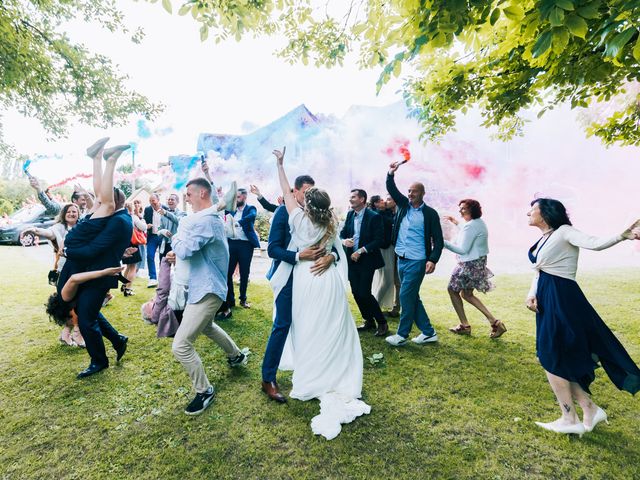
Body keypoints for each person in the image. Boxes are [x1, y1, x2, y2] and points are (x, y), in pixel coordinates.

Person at [269, 147, 370, 440]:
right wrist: (333, 257)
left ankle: (312, 375)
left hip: (306, 278)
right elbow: (337, 248)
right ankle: (334, 374)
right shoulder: (331, 222)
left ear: (307, 202)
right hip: (328, 281)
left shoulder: (298, 220)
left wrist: (280, 164)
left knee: (308, 328)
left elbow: (286, 192)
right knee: (330, 327)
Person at [526, 198, 640, 436]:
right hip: (548, 296)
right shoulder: (544, 237)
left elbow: (594, 243)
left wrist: (623, 235)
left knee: (550, 355)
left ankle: (570, 419)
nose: (528, 213)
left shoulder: (564, 232)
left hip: (563, 297)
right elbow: (540, 271)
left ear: (545, 213)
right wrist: (532, 294)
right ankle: (589, 409)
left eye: (533, 210)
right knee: (553, 355)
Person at [170, 178, 249, 416]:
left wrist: (174, 236)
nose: (186, 198)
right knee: (208, 327)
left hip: (208, 289)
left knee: (181, 346)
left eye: (189, 194)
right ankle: (236, 355)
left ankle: (204, 391)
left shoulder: (207, 222)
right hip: (202, 287)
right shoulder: (206, 218)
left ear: (202, 193)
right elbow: (192, 254)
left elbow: (183, 249)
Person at [59, 137, 132, 378]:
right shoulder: (109, 213)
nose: (102, 196)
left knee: (87, 317)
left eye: (109, 193)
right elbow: (102, 197)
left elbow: (93, 250)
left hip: (93, 268)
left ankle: (99, 360)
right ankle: (100, 157)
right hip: (82, 253)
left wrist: (69, 250)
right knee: (88, 312)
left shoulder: (118, 219)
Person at [261, 174, 335, 403]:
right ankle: (268, 379)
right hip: (288, 278)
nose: (309, 196)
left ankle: (313, 371)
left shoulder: (321, 216)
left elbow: (334, 247)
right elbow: (272, 249)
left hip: (314, 281)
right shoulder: (284, 212)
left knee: (313, 325)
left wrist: (331, 257)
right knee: (282, 324)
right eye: (306, 191)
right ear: (295, 192)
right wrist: (297, 255)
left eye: (313, 191)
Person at [384, 160, 444, 347]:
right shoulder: (403, 205)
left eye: (414, 191)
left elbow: (439, 241)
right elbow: (391, 189)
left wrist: (432, 260)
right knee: (411, 296)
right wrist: (391, 173)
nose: (410, 194)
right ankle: (428, 332)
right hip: (401, 257)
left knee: (405, 295)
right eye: (409, 191)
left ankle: (402, 335)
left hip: (417, 260)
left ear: (422, 194)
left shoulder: (430, 214)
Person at [22, 203, 85, 347]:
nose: (71, 214)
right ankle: (76, 332)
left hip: (80, 268)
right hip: (65, 270)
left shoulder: (82, 227)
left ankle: (66, 333)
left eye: (74, 212)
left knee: (76, 301)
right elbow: (48, 233)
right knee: (72, 302)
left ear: (78, 214)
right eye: (68, 212)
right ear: (63, 214)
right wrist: (35, 230)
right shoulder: (59, 228)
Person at [443, 199, 506, 338]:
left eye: (463, 208)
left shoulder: (471, 226)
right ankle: (495, 322)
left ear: (472, 210)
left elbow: (463, 249)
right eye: (460, 208)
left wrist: (443, 243)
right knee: (467, 294)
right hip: (477, 263)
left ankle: (465, 326)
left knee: (452, 290)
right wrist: (457, 223)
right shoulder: (478, 223)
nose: (460, 210)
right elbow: (468, 234)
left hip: (468, 264)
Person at [340, 189, 388, 337]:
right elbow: (342, 234)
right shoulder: (349, 215)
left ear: (362, 199)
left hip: (367, 260)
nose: (350, 200)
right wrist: (344, 241)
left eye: (353, 197)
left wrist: (361, 251)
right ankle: (368, 321)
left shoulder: (374, 217)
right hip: (351, 260)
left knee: (364, 293)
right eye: (350, 197)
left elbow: (379, 240)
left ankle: (382, 323)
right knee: (355, 292)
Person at [216, 187, 260, 319]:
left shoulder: (251, 208)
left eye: (239, 197)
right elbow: (221, 209)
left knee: (244, 272)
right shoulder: (231, 209)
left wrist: (237, 223)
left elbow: (251, 217)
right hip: (232, 244)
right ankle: (231, 300)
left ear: (245, 197)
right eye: (235, 197)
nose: (236, 199)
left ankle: (243, 299)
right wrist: (220, 195)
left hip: (246, 245)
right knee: (228, 273)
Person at [369, 195, 397, 319]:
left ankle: (378, 306)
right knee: (387, 279)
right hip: (384, 249)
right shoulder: (377, 214)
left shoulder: (385, 213)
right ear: (375, 204)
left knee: (388, 279)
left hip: (389, 248)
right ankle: (375, 307)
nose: (384, 202)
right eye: (381, 200)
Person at [121, 202, 147, 296]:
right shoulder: (133, 217)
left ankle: (124, 285)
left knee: (128, 266)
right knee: (133, 267)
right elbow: (143, 227)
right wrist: (143, 220)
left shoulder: (121, 217)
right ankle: (128, 289)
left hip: (124, 243)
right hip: (133, 243)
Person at [144, 194, 167, 288]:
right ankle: (152, 278)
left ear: (158, 200)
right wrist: (146, 224)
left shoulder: (165, 208)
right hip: (152, 236)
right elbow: (144, 220)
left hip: (163, 236)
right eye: (150, 201)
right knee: (150, 255)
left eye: (153, 200)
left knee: (163, 258)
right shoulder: (148, 209)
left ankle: (162, 279)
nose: (152, 202)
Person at [158, 193, 186, 259]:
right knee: (163, 267)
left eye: (172, 199)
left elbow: (178, 221)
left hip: (177, 244)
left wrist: (166, 213)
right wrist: (162, 231)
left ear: (177, 202)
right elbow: (158, 231)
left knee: (177, 267)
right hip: (165, 244)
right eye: (169, 199)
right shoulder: (163, 214)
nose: (170, 201)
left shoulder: (183, 213)